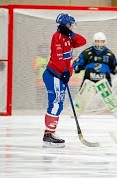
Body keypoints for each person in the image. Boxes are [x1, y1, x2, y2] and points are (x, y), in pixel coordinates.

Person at [42, 13, 86, 148]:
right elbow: (57, 57)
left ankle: (50, 132)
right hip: (54, 75)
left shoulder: (67, 36)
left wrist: (71, 34)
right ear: (65, 24)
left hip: (60, 76)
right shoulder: (57, 37)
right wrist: (65, 72)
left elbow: (82, 41)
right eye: (70, 24)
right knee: (56, 104)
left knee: (59, 104)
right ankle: (48, 134)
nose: (72, 26)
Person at [71, 32, 117, 118]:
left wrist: (116, 69)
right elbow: (77, 63)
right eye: (97, 41)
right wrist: (77, 67)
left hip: (104, 82)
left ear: (104, 42)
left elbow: (115, 66)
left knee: (109, 97)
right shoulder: (87, 52)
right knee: (83, 97)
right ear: (94, 41)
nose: (99, 43)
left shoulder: (109, 54)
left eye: (101, 41)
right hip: (89, 81)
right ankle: (76, 111)